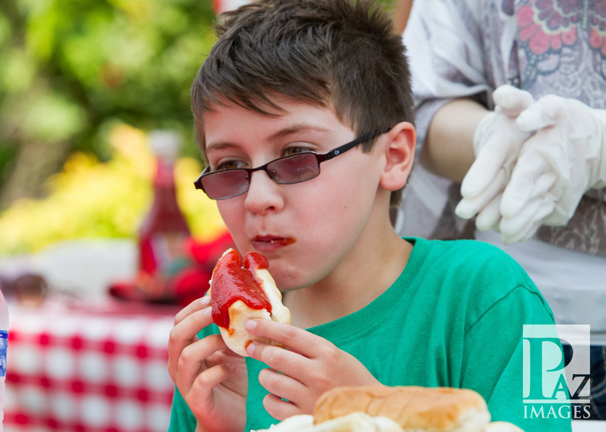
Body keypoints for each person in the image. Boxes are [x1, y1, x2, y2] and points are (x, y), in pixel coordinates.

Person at [166, 1, 569, 431]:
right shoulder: (223, 342)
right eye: (229, 167)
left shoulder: (493, 295)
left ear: (393, 156)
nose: (257, 199)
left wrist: (373, 412)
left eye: (298, 156)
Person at [401, 0, 606, 420]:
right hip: (533, 311)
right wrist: (490, 138)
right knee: (545, 423)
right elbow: (424, 102)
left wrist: (598, 146)